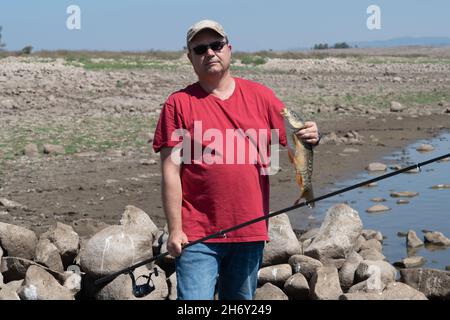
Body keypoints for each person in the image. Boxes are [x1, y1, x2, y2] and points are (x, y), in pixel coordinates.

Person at [152, 19, 320, 300]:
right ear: (190, 57)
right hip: (197, 236)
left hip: (250, 230)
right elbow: (170, 172)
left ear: (229, 49)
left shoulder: (261, 96)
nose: (210, 53)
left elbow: (296, 134)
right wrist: (175, 230)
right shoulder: (178, 104)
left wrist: (312, 134)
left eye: (216, 45)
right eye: (200, 49)